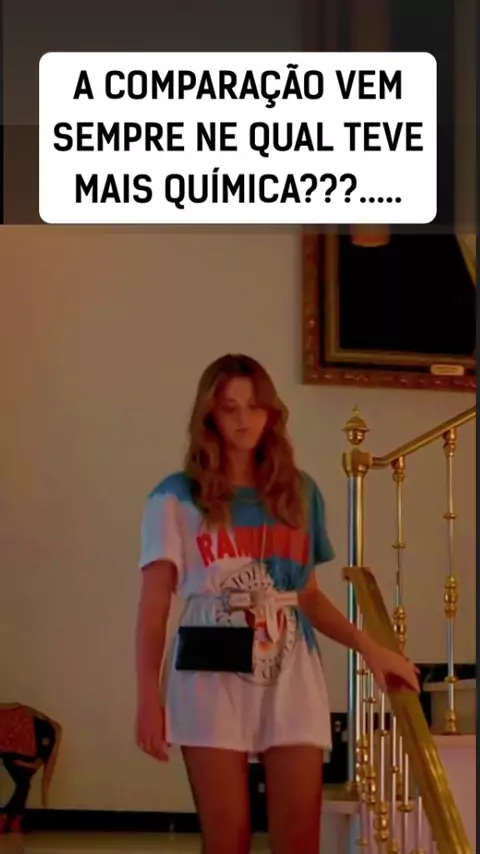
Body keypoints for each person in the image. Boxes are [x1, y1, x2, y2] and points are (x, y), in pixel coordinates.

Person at [135, 353, 420, 854]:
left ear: (271, 414)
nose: (243, 420)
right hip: (209, 666)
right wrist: (146, 701)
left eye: (254, 406)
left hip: (290, 664)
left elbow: (307, 595)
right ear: (209, 416)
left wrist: (371, 649)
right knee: (228, 838)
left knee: (299, 837)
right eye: (229, 408)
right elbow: (154, 607)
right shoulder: (176, 497)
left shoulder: (298, 493)